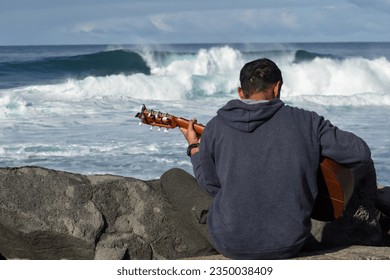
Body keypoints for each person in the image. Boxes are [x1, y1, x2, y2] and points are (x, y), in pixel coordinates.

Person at [179, 58, 375, 259]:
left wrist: (195, 147)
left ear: (240, 92)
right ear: (277, 87)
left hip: (231, 245)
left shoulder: (215, 126)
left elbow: (211, 186)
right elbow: (360, 152)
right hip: (289, 243)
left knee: (174, 177)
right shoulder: (308, 122)